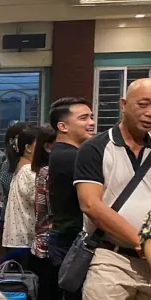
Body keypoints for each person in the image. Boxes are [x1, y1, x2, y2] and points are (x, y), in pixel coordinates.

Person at [75, 78, 151, 300]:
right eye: (143, 104)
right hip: (110, 258)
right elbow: (91, 205)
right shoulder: (96, 148)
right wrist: (142, 241)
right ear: (123, 105)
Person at [46, 97, 96, 269]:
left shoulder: (67, 152)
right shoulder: (69, 156)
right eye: (83, 118)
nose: (91, 122)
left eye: (91, 117)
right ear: (63, 126)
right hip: (70, 240)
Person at [30, 125, 58, 300]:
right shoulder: (46, 172)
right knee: (49, 299)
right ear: (48, 147)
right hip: (48, 242)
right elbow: (46, 209)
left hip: (48, 240)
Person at [1, 126, 38, 259]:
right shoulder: (28, 171)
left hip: (17, 238)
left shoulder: (20, 168)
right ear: (28, 148)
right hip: (24, 238)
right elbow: (39, 201)